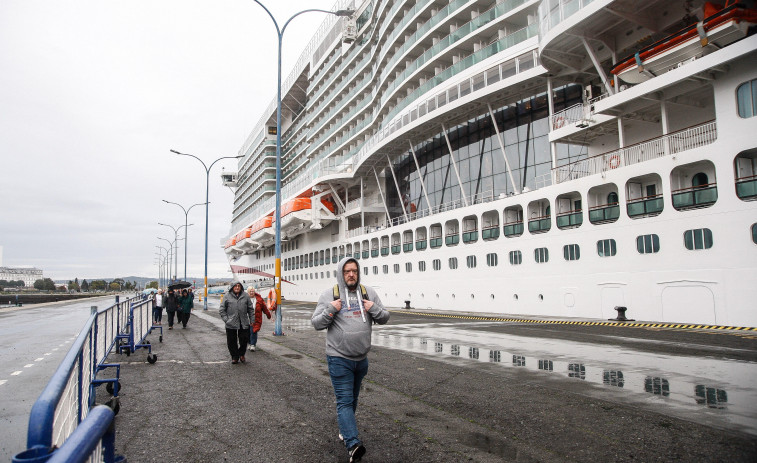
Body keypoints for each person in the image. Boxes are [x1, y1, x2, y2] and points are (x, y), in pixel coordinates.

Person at [311, 257, 390, 463]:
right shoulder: (329, 295)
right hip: (339, 358)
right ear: (341, 273)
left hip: (361, 359)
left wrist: (373, 308)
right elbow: (316, 323)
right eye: (347, 271)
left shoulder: (368, 293)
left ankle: (345, 430)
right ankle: (353, 444)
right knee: (345, 401)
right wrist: (331, 310)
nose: (351, 274)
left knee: (352, 400)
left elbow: (384, 317)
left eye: (354, 271)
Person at [219, 281, 253, 364]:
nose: (237, 287)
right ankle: (234, 356)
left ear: (241, 287)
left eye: (239, 286)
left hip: (243, 321)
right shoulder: (227, 296)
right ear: (232, 287)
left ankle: (241, 354)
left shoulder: (245, 296)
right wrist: (226, 320)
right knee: (231, 341)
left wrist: (252, 320)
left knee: (244, 340)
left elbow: (250, 309)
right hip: (231, 322)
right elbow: (222, 310)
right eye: (235, 286)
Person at [247, 286, 271, 352]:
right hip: (246, 319)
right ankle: (249, 343)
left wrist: (268, 315)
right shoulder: (245, 299)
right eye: (250, 291)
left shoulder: (259, 299)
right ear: (248, 292)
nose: (252, 293)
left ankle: (253, 345)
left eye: (253, 291)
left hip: (256, 318)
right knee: (247, 332)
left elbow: (264, 308)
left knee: (254, 331)